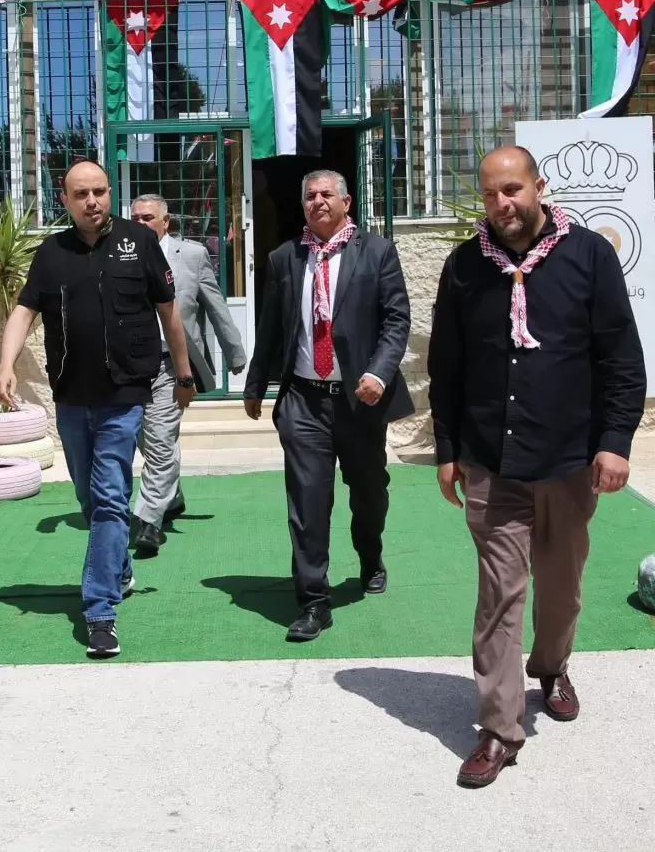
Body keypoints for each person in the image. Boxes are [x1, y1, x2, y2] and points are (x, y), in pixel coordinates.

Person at [427, 145, 646, 788]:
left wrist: (615, 442)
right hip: (492, 461)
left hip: (570, 459)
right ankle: (500, 728)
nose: (502, 204)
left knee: (561, 585)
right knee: (499, 593)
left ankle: (551, 667)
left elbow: (621, 358)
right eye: (490, 193)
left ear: (539, 186)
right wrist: (447, 449)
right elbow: (448, 367)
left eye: (513, 190)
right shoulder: (465, 267)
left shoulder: (590, 256)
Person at [0, 160, 196, 659]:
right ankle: (119, 569)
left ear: (110, 193)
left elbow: (168, 312)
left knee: (108, 498)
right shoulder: (51, 253)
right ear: (64, 200)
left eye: (100, 191)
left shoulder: (139, 241)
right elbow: (24, 311)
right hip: (71, 396)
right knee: (89, 497)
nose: (92, 201)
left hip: (124, 394)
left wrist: (184, 374)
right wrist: (5, 365)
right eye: (81, 193)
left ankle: (100, 611)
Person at [243, 169, 413, 642]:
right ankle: (314, 600)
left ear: (345, 201)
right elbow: (271, 326)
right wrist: (256, 384)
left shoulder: (376, 252)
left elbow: (396, 319)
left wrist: (379, 372)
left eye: (326, 194)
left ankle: (370, 555)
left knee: (369, 492)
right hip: (304, 400)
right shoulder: (284, 258)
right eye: (310, 196)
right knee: (307, 501)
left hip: (360, 401)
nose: (317, 201)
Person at [129, 194, 247, 553]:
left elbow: (214, 303)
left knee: (161, 439)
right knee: (147, 438)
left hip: (171, 364)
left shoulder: (192, 255)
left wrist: (234, 352)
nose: (140, 224)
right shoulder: (120, 254)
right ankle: (173, 496)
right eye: (135, 218)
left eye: (147, 217)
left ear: (166, 222)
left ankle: (148, 520)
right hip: (131, 365)